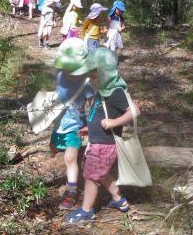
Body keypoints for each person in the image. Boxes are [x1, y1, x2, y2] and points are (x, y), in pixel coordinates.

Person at [56, 48, 139, 224]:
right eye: (91, 77)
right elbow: (97, 114)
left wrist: (114, 123)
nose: (92, 81)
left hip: (105, 145)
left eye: (95, 77)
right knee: (101, 173)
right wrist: (89, 127)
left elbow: (134, 111)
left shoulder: (116, 92)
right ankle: (119, 200)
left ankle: (87, 211)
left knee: (91, 177)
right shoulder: (103, 91)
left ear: (106, 73)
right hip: (97, 142)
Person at [50, 39, 96, 210]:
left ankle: (72, 191)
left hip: (76, 127)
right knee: (53, 148)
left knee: (70, 157)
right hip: (58, 123)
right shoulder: (60, 75)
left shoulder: (86, 84)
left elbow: (93, 106)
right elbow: (57, 94)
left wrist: (91, 126)